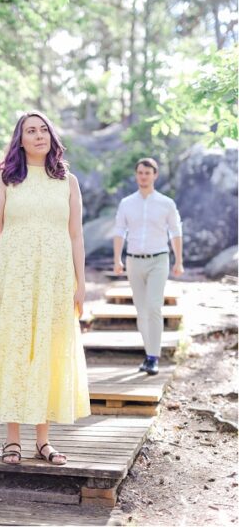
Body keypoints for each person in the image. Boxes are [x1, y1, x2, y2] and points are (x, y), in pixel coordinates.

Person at [0, 110, 90, 466]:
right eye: (30, 131)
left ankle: (43, 440)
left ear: (51, 136)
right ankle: (12, 439)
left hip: (55, 277)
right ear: (19, 141)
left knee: (49, 349)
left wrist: (81, 282)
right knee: (16, 346)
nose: (38, 136)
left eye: (43, 130)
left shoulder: (68, 181)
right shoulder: (6, 180)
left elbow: (76, 234)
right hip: (15, 275)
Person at [112, 158, 184, 376]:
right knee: (141, 311)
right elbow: (119, 231)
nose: (143, 176)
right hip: (134, 260)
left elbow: (176, 232)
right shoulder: (126, 203)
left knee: (154, 307)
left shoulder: (166, 203)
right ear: (136, 175)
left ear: (155, 175)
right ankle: (148, 354)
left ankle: (153, 357)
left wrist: (179, 260)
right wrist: (117, 259)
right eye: (140, 172)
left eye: (147, 172)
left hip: (159, 259)